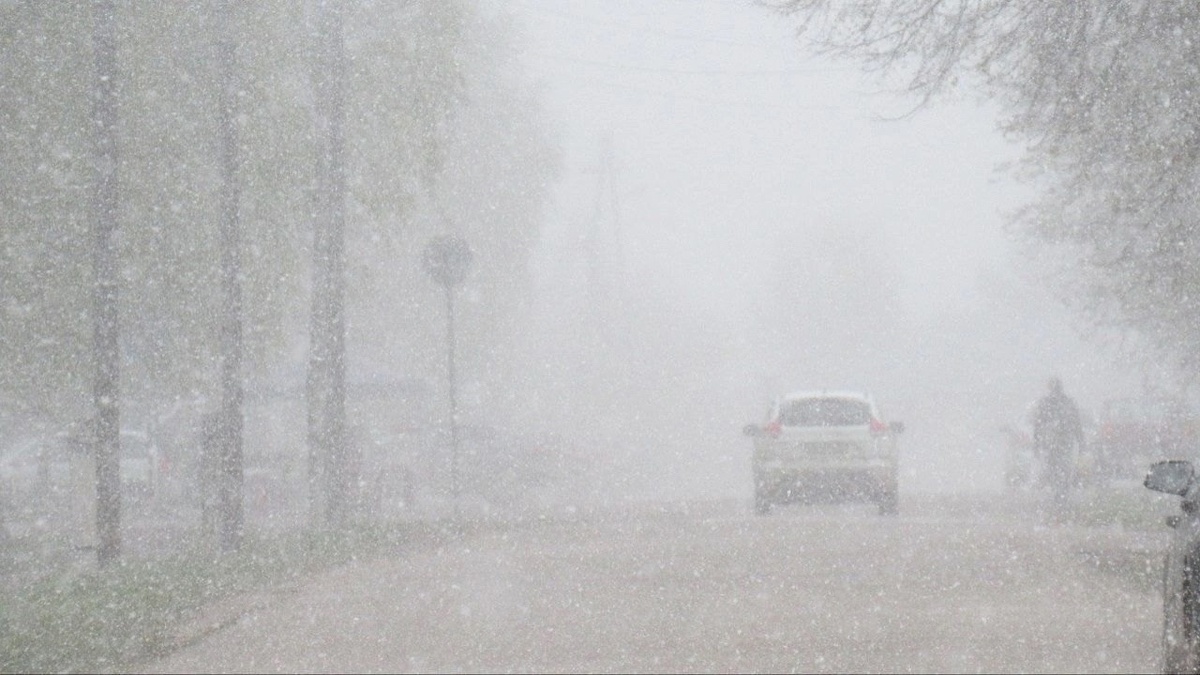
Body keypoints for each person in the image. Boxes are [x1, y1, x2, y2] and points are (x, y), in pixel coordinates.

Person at [1031, 377, 1086, 505]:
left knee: (1054, 467)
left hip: (1052, 442)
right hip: (1064, 441)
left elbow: (1038, 425)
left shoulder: (1045, 403)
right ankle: (1061, 491)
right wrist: (1081, 441)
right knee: (1064, 467)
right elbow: (1076, 423)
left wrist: (1037, 444)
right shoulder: (1067, 403)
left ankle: (1058, 490)